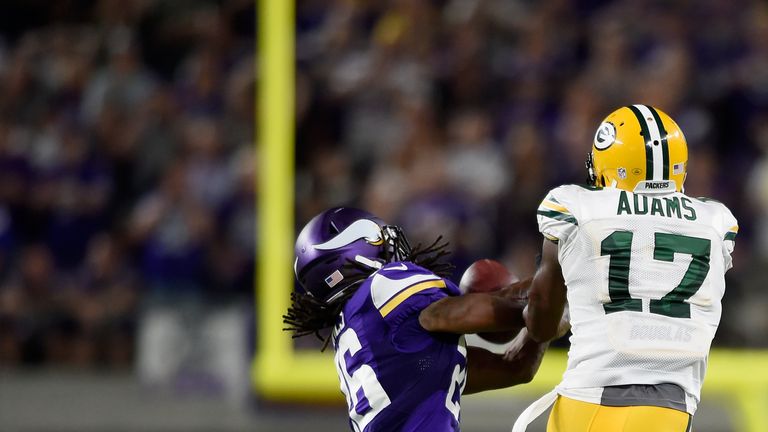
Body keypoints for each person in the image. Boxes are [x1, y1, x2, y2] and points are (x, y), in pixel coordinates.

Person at [514, 105, 738, 431]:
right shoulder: (716, 221)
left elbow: (542, 320)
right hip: (668, 406)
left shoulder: (576, 207)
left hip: (587, 399)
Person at [284, 207, 548, 432]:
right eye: (379, 237)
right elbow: (488, 311)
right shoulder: (384, 284)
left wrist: (552, 305)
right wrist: (557, 273)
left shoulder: (368, 329)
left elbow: (517, 367)